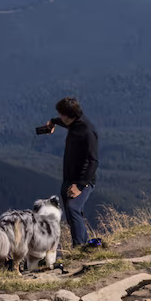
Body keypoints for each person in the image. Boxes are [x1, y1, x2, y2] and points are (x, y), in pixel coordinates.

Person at [43, 96, 101, 249]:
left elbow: (93, 161)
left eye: (62, 114)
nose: (61, 116)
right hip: (69, 178)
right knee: (72, 212)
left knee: (73, 208)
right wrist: (53, 122)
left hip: (82, 181)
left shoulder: (88, 132)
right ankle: (82, 245)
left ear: (70, 115)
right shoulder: (75, 123)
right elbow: (65, 122)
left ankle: (80, 247)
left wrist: (80, 186)